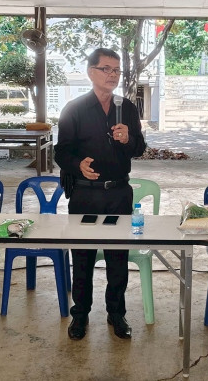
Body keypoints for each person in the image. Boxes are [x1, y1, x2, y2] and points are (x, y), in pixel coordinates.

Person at [54, 48, 147, 341]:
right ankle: (80, 314)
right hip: (85, 195)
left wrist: (128, 139)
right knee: (82, 257)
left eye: (116, 70)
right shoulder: (74, 109)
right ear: (91, 72)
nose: (112, 75)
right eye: (106, 69)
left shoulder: (126, 108)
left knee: (117, 257)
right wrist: (77, 166)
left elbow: (140, 148)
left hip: (119, 193)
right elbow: (60, 152)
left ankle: (116, 313)